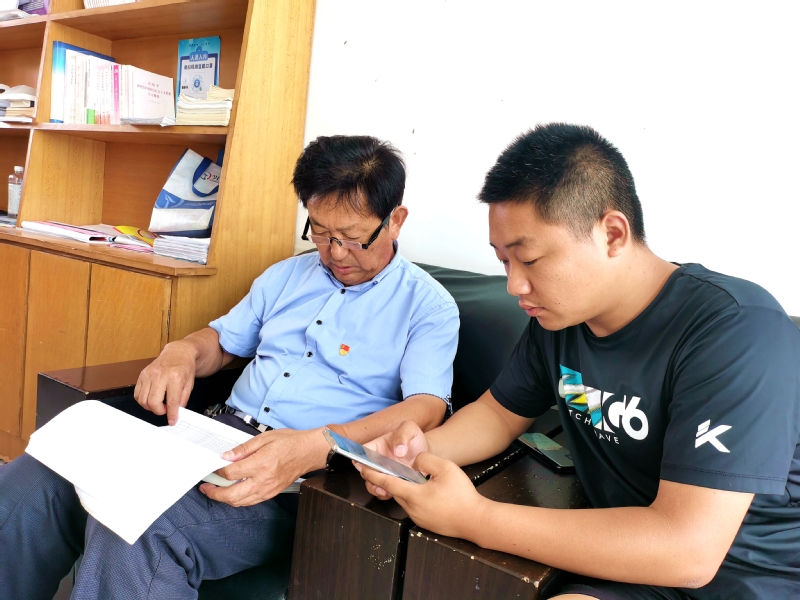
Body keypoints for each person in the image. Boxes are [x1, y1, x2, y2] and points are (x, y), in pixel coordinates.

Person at [0, 135, 459, 600]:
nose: (336, 252)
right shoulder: (287, 275)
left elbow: (426, 408)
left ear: (395, 220)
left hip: (305, 478)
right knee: (31, 481)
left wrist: (318, 445)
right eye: (320, 232)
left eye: (353, 237)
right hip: (211, 440)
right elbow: (221, 343)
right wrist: (180, 352)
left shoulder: (428, 307)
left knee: (135, 524)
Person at [357, 123, 800, 599]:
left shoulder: (736, 329)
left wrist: (474, 517)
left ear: (612, 234)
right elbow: (498, 414)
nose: (514, 286)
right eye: (504, 261)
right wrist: (417, 453)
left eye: (529, 259)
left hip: (750, 580)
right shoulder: (558, 321)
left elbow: (688, 550)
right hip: (630, 565)